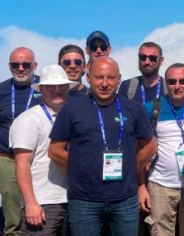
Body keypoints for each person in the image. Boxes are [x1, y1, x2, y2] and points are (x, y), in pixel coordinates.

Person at [48, 57, 157, 236]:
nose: (105, 84)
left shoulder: (134, 109)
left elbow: (149, 148)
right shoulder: (71, 109)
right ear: (88, 78)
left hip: (124, 199)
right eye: (99, 77)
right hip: (84, 200)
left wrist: (129, 170)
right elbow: (55, 151)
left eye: (110, 78)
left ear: (119, 79)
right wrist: (80, 170)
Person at [139, 63, 184, 236]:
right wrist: (141, 186)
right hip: (160, 185)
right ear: (166, 83)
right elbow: (140, 150)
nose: (177, 86)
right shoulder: (151, 108)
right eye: (172, 81)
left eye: (183, 81)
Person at [11, 65, 77, 236]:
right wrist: (30, 203)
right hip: (43, 202)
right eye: (51, 86)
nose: (57, 90)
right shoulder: (29, 119)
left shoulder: (76, 116)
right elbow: (21, 163)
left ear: (68, 88)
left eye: (62, 86)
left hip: (75, 200)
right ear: (41, 89)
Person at [0, 47, 40, 236]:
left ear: (35, 66)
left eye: (26, 64)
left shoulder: (45, 87)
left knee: (40, 209)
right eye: (16, 65)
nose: (21, 68)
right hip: (8, 158)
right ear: (9, 66)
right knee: (12, 217)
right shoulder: (2, 90)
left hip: (38, 159)